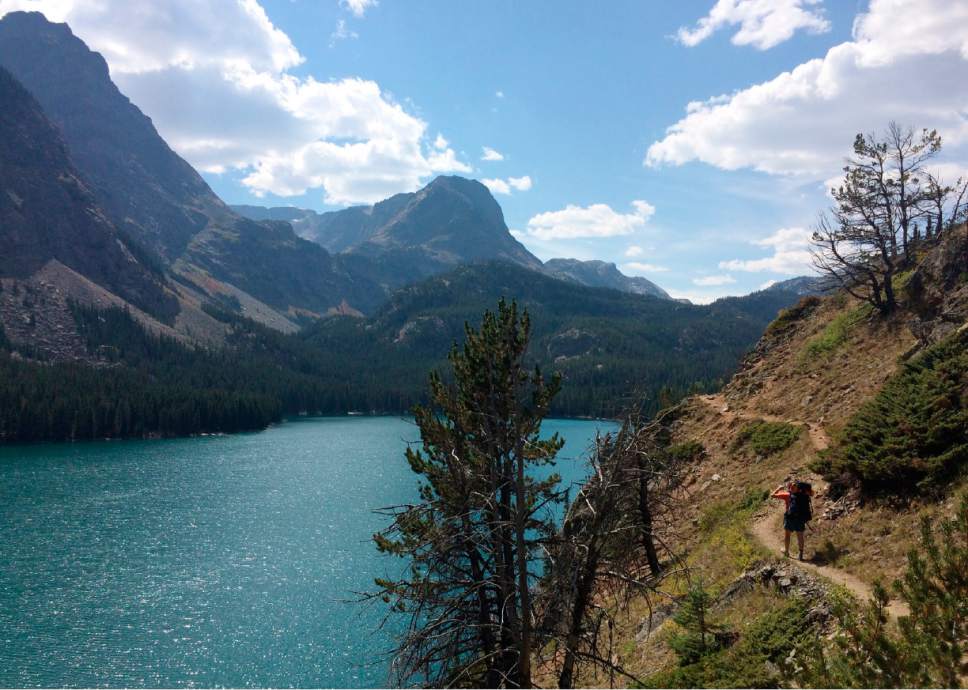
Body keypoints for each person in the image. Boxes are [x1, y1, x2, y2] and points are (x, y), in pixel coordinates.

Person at [770, 481, 813, 560]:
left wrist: (779, 488)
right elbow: (812, 493)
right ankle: (800, 555)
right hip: (800, 518)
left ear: (791, 488)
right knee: (800, 536)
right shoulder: (804, 495)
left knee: (787, 535)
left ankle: (786, 551)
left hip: (790, 517)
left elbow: (772, 495)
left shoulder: (787, 495)